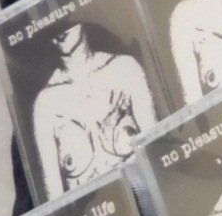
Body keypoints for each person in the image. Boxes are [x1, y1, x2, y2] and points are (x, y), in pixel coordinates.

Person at [32, 23, 158, 200]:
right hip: (97, 212)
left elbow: (156, 150)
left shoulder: (125, 68)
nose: (59, 29)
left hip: (148, 195)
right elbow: (56, 198)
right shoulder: (45, 103)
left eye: (65, 19)